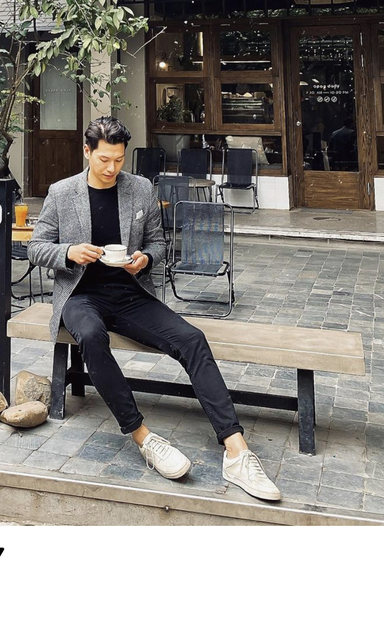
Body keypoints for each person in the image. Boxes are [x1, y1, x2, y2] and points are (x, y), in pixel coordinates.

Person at [28, 115, 281, 501]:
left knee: (192, 339)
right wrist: (69, 252)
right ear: (87, 152)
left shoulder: (140, 188)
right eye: (104, 160)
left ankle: (236, 451)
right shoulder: (63, 193)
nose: (112, 168)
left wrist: (145, 259)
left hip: (129, 294)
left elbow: (159, 244)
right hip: (80, 296)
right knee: (92, 336)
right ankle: (143, 437)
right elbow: (36, 247)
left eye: (118, 160)